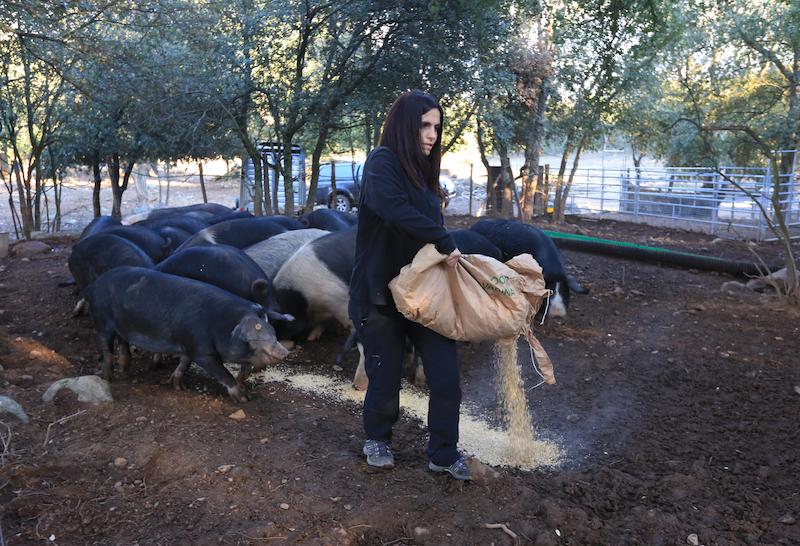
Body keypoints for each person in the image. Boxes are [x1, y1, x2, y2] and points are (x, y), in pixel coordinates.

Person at [348, 90, 470, 481]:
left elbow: (422, 226)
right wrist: (443, 239)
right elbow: (392, 210)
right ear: (404, 125)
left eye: (437, 126)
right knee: (385, 374)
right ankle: (378, 438)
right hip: (380, 292)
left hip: (424, 292)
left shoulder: (424, 176)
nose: (433, 134)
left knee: (446, 374)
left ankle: (443, 453)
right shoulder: (382, 163)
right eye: (424, 125)